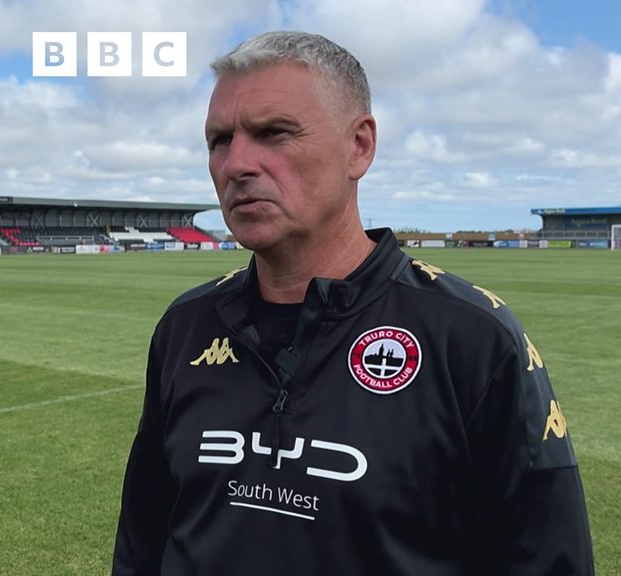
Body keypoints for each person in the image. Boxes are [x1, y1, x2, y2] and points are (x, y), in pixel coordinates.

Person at [111, 31, 594, 575]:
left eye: (273, 133)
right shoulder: (186, 325)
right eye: (219, 140)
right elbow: (141, 545)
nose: (235, 163)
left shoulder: (473, 337)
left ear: (359, 146)